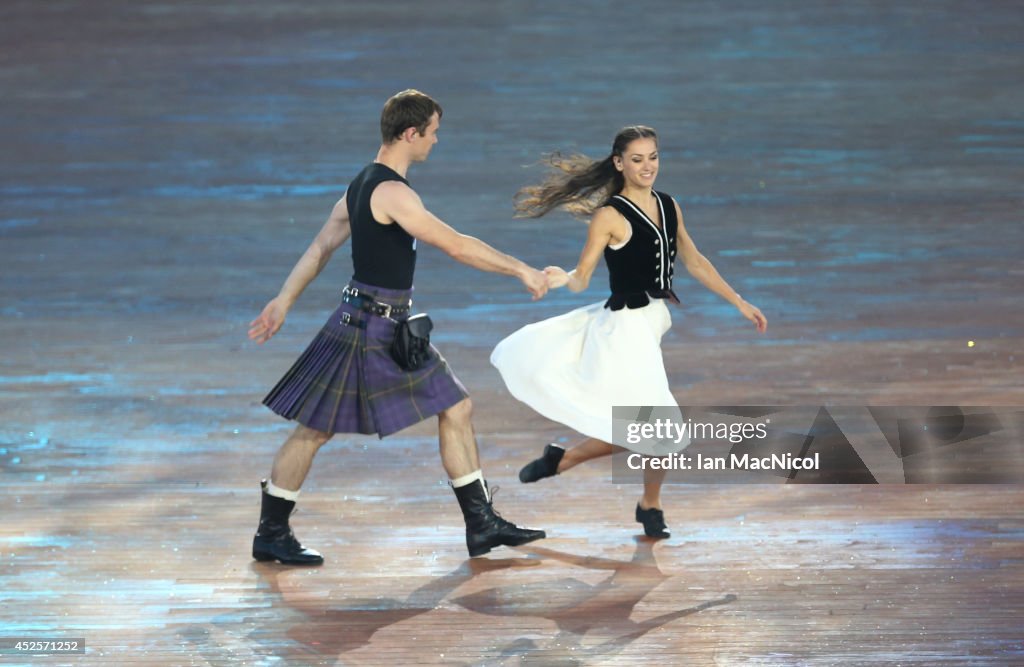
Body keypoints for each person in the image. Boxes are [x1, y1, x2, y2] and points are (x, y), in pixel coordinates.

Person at [248, 89, 548, 564]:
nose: (435, 141)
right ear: (410, 133)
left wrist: (284, 300)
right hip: (374, 329)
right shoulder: (392, 192)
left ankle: (480, 524)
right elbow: (456, 245)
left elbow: (320, 248)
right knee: (315, 430)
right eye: (432, 133)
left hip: (372, 321)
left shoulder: (359, 184)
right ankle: (271, 533)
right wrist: (521, 270)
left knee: (455, 406)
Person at [491, 125, 767, 539]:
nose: (647, 166)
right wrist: (560, 278)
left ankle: (581, 468)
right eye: (637, 159)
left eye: (653, 157)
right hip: (621, 330)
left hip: (650, 324)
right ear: (619, 163)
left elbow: (694, 261)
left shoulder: (669, 205)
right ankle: (644, 502)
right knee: (659, 428)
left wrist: (739, 301)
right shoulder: (609, 215)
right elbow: (583, 277)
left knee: (647, 427)